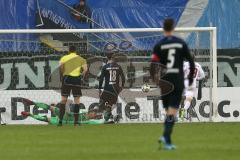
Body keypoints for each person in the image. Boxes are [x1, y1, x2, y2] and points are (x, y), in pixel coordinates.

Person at [150, 18, 195, 150]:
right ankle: (165, 137)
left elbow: (153, 64)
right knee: (172, 112)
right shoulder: (180, 43)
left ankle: (167, 141)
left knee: (168, 112)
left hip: (165, 80)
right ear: (173, 28)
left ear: (163, 28)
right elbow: (191, 62)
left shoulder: (159, 45)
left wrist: (155, 79)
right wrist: (191, 78)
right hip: (177, 79)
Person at [59, 45, 88, 126]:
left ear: (69, 51)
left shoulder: (64, 58)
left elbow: (61, 67)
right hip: (76, 79)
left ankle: (60, 121)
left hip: (66, 78)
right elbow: (85, 69)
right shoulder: (81, 59)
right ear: (75, 51)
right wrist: (81, 75)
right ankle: (76, 122)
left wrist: (63, 74)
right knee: (77, 100)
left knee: (64, 99)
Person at [20, 98, 106, 125]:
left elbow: (99, 123)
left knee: (46, 119)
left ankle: (30, 114)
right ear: (90, 112)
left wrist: (106, 122)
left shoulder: (89, 122)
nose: (94, 115)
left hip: (65, 121)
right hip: (67, 116)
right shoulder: (83, 112)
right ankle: (32, 103)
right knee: (51, 108)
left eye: (95, 115)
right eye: (94, 113)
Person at [98, 52, 125, 122]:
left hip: (107, 88)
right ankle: (110, 118)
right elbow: (123, 77)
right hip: (115, 89)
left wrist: (100, 89)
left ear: (107, 58)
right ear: (114, 58)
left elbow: (101, 79)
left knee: (101, 103)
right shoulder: (118, 66)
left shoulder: (105, 67)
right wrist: (122, 86)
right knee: (110, 103)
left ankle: (108, 117)